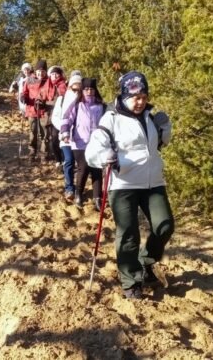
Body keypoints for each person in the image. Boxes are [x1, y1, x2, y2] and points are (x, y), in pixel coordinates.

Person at [85, 71, 174, 299]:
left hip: (153, 181)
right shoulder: (111, 119)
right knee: (128, 234)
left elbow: (157, 145)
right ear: (124, 96)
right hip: (122, 184)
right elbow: (92, 151)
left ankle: (145, 262)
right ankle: (130, 280)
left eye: (143, 96)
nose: (140, 101)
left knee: (164, 226)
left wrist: (165, 130)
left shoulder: (149, 117)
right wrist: (104, 155)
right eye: (135, 97)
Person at [61, 77, 106, 209]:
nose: (89, 91)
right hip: (80, 142)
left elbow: (109, 123)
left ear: (95, 90)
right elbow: (66, 119)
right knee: (84, 168)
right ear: (82, 90)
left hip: (97, 143)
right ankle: (78, 194)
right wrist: (65, 133)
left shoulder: (101, 106)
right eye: (86, 89)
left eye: (91, 89)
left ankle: (98, 198)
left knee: (97, 169)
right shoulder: (77, 104)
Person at [52, 71, 81, 201]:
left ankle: (79, 189)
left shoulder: (85, 99)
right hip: (66, 137)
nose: (76, 87)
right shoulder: (61, 99)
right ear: (69, 84)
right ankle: (69, 188)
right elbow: (55, 117)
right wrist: (64, 129)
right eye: (74, 84)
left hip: (81, 138)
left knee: (81, 165)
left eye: (79, 84)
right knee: (68, 161)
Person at [21, 60, 55, 158]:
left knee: (45, 133)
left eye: (43, 71)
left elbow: (52, 96)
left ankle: (44, 153)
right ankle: (32, 150)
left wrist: (45, 104)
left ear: (46, 72)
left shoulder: (49, 81)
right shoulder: (30, 79)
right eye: (39, 71)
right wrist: (24, 97)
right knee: (33, 132)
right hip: (31, 110)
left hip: (44, 111)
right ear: (35, 71)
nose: (41, 73)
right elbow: (25, 92)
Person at [47, 66, 67, 165]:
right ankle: (57, 158)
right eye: (52, 74)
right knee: (53, 138)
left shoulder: (64, 85)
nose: (54, 76)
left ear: (60, 75)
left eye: (56, 74)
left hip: (61, 115)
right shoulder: (48, 85)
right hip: (50, 114)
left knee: (60, 137)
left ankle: (63, 158)